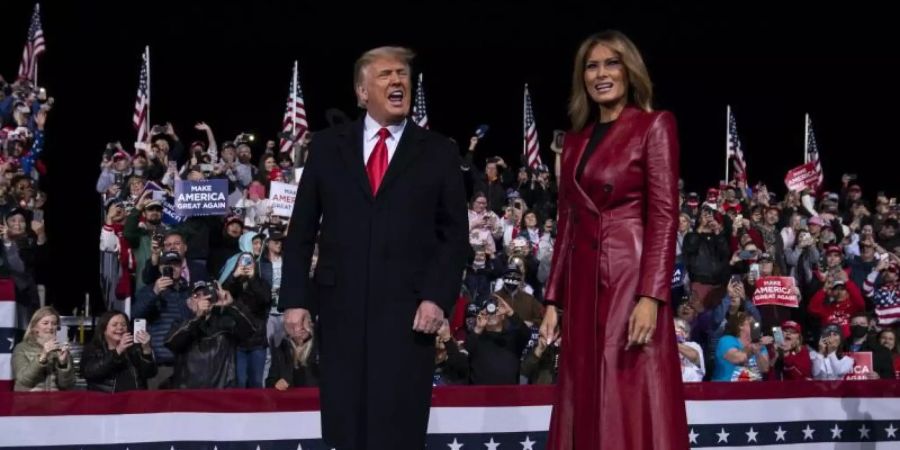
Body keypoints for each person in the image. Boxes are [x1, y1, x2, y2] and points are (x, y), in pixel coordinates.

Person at [279, 46, 468, 450]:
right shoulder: (328, 147)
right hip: (340, 308)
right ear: (362, 92)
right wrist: (295, 300)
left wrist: (436, 297)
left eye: (403, 74)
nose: (397, 82)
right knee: (346, 424)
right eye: (385, 75)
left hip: (409, 314)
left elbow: (454, 236)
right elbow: (301, 230)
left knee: (398, 425)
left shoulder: (438, 151)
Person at [540, 30, 687, 449]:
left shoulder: (654, 125)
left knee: (626, 389)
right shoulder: (573, 141)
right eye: (591, 65)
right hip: (583, 284)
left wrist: (651, 295)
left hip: (629, 279)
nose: (601, 73)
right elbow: (567, 220)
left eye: (611, 63)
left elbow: (663, 214)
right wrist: (553, 299)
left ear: (630, 70)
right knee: (582, 388)